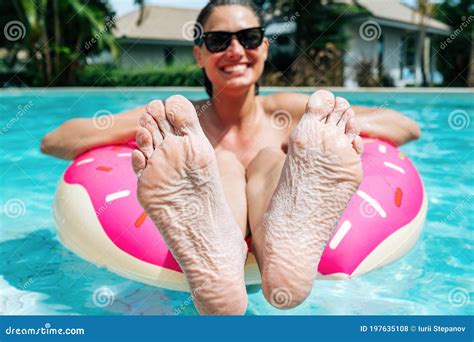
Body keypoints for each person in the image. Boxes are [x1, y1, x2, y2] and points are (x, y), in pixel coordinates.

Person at [41, 0, 420, 315]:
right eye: (219, 40)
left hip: (277, 204)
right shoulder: (182, 120)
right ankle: (218, 257)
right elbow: (55, 140)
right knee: (217, 162)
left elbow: (404, 125)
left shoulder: (287, 112)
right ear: (199, 53)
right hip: (208, 210)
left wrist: (344, 125)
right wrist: (142, 129)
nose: (236, 51)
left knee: (270, 159)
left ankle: (281, 244)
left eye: (249, 38)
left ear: (265, 48)